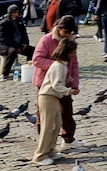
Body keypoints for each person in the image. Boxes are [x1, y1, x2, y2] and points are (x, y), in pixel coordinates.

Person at [32, 16, 82, 152]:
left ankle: (68, 139)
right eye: (65, 32)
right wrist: (56, 66)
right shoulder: (47, 40)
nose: (67, 35)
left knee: (67, 111)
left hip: (65, 82)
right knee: (45, 115)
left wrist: (75, 82)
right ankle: (44, 144)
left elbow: (74, 64)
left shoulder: (71, 41)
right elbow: (37, 59)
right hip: (46, 83)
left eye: (70, 33)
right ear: (58, 28)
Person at [0, 5, 30, 81]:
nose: (17, 14)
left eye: (17, 12)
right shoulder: (4, 23)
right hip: (4, 45)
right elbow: (3, 38)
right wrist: (16, 46)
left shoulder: (19, 21)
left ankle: (29, 69)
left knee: (32, 50)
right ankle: (4, 73)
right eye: (15, 13)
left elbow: (24, 33)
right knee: (12, 52)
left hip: (18, 43)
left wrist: (25, 42)